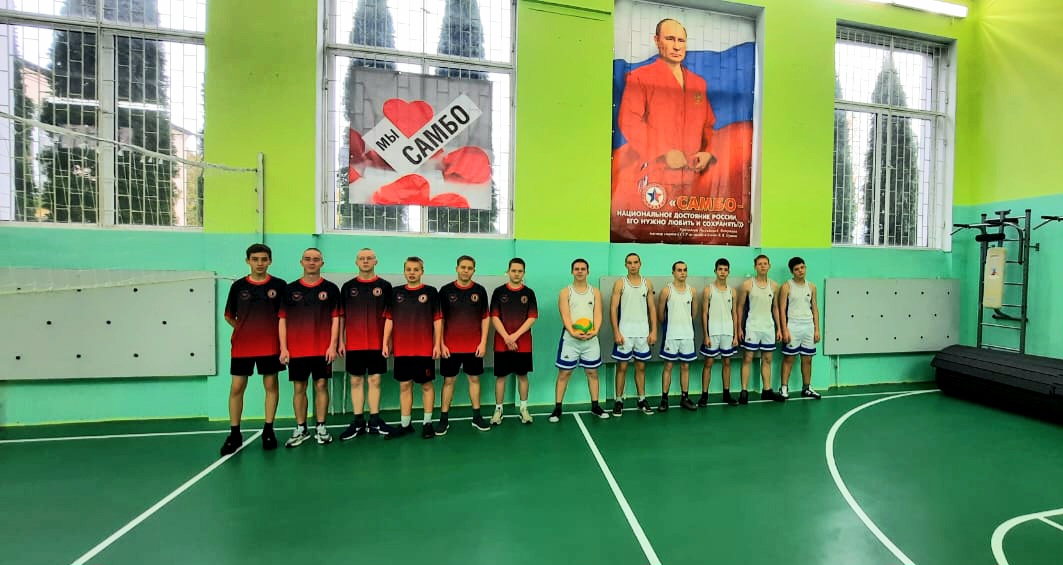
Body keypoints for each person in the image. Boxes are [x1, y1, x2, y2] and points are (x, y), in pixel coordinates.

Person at [613, 18, 716, 198]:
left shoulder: (698, 83)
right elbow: (629, 121)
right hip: (655, 176)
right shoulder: (640, 78)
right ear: (657, 40)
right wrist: (663, 152)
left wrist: (707, 153)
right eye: (670, 39)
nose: (676, 47)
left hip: (692, 179)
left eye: (681, 41)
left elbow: (708, 126)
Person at [220, 243, 287, 456]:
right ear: (247, 260)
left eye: (264, 259)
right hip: (243, 346)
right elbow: (229, 316)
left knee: (271, 385)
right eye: (255, 259)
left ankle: (268, 430)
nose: (259, 263)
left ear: (270, 261)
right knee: (237, 388)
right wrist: (245, 330)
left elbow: (284, 317)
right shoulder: (238, 286)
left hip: (270, 345)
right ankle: (234, 434)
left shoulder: (279, 285)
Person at [279, 248, 341, 447]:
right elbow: (282, 320)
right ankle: (301, 428)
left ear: (322, 263)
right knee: (299, 387)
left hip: (322, 349)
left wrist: (333, 345)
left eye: (316, 259)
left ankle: (321, 427)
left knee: (321, 385)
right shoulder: (289, 289)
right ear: (301, 262)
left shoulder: (331, 289)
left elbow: (336, 318)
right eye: (308, 259)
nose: (311, 262)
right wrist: (284, 348)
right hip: (297, 350)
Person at [382, 256, 443, 440]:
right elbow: (389, 319)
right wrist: (385, 342)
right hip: (402, 350)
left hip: (424, 349)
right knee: (404, 385)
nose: (412, 273)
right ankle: (405, 424)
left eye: (416, 269)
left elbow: (438, 320)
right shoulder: (395, 292)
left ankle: (427, 423)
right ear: (404, 271)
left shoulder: (431, 292)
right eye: (408, 269)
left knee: (426, 385)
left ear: (422, 271)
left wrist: (437, 344)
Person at [337, 248, 394, 441]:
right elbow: (342, 316)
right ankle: (358, 421)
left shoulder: (385, 286)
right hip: (354, 344)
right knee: (355, 381)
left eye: (369, 258)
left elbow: (390, 317)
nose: (365, 261)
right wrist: (341, 340)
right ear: (356, 262)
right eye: (362, 258)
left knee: (375, 380)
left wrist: (388, 342)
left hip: (377, 344)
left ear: (376, 261)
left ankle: (375, 420)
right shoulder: (348, 287)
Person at [549, 259, 609, 422]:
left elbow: (598, 314)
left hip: (591, 340)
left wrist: (595, 331)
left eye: (583, 269)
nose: (580, 271)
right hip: (570, 339)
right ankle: (557, 408)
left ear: (588, 271)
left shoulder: (595, 292)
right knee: (564, 373)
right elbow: (565, 315)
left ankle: (595, 406)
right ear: (572, 271)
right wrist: (573, 332)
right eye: (577, 269)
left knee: (592, 372)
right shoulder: (565, 292)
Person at [439, 255, 492, 433]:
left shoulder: (480, 290)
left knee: (474, 379)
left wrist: (483, 342)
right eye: (463, 267)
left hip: (474, 347)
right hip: (450, 347)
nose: (466, 270)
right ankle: (443, 419)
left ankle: (477, 417)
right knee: (449, 381)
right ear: (457, 268)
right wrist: (441, 344)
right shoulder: (445, 291)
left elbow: (485, 318)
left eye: (469, 268)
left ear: (473, 271)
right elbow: (440, 320)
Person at [489, 258, 538, 425]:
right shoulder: (499, 292)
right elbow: (494, 316)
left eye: (520, 271)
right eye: (514, 270)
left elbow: (532, 317)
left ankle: (524, 409)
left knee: (522, 376)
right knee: (501, 377)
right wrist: (506, 337)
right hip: (501, 343)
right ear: (508, 271)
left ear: (524, 273)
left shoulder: (529, 293)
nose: (516, 274)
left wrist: (514, 337)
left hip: (523, 344)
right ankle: (498, 410)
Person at [609, 252, 657, 416]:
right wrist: (616, 331)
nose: (633, 265)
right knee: (622, 366)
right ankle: (618, 400)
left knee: (641, 366)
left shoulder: (647, 283)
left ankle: (641, 399)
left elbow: (652, 308)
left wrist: (653, 330)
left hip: (642, 333)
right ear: (625, 265)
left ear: (640, 263)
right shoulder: (620, 283)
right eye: (629, 263)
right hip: (625, 333)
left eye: (635, 262)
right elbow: (613, 308)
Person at [737, 254, 782, 404]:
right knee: (747, 358)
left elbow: (775, 308)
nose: (763, 266)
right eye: (760, 264)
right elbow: (740, 307)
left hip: (768, 328)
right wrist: (739, 328)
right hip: (752, 327)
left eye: (765, 263)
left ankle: (767, 390)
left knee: (767, 359)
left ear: (769, 266)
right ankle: (744, 391)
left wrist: (779, 328)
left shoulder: (774, 286)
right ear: (755, 266)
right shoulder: (747, 285)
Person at [778, 257, 822, 400]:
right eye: (797, 269)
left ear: (805, 268)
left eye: (802, 267)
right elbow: (781, 309)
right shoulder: (786, 286)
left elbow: (815, 308)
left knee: (807, 359)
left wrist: (817, 329)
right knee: (789, 358)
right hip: (793, 326)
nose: (800, 271)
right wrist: (784, 330)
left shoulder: (812, 287)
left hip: (808, 326)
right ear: (792, 271)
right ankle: (784, 388)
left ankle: (807, 388)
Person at [657, 261, 698, 411]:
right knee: (668, 366)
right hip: (671, 335)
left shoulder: (692, 291)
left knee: (685, 366)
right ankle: (664, 399)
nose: (682, 273)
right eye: (679, 270)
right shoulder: (666, 291)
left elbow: (694, 314)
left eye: (685, 270)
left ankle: (684, 398)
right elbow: (660, 314)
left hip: (687, 335)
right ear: (673, 272)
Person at [699, 258, 739, 407]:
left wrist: (735, 335)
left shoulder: (732, 291)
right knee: (708, 363)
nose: (722, 272)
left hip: (728, 333)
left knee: (727, 362)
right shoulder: (708, 290)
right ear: (715, 271)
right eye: (720, 269)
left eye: (725, 270)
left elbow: (735, 313)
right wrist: (706, 335)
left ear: (728, 272)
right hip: (713, 333)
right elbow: (704, 313)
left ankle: (726, 394)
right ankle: (704, 396)